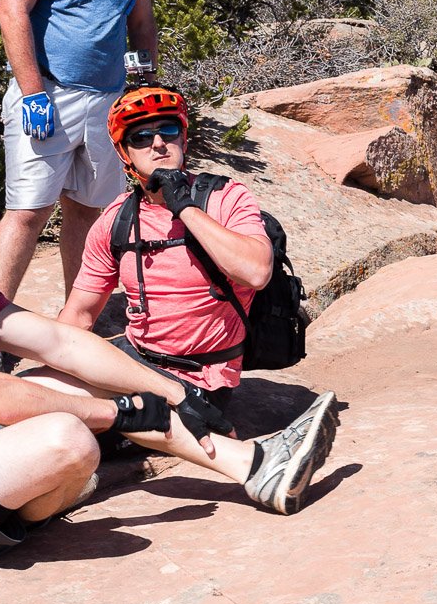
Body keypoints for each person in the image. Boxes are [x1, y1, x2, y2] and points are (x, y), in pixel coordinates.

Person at [0, 104, 339, 576]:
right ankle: (33, 495)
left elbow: (58, 343)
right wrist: (121, 413)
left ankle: (253, 468)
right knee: (67, 439)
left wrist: (171, 394)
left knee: (59, 383)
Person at [0, 0, 157, 371]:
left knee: (90, 211)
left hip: (106, 99)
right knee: (28, 211)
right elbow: (11, 12)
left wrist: (147, 83)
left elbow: (142, 21)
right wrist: (33, 94)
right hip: (48, 95)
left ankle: (82, 317)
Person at [58, 87, 279, 419]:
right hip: (134, 361)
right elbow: (79, 316)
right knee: (30, 395)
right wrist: (57, 373)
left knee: (79, 421)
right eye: (141, 137)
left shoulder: (226, 198)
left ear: (183, 139)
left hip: (200, 378)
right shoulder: (118, 218)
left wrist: (184, 206)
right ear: (125, 154)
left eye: (168, 130)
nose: (158, 143)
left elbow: (256, 273)